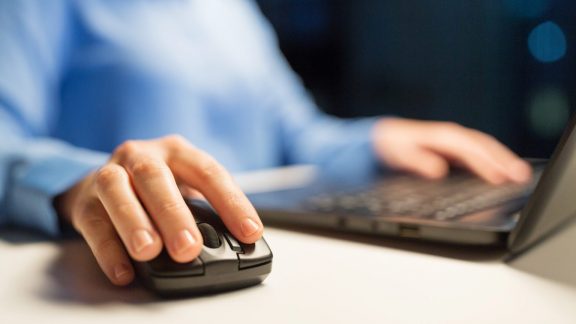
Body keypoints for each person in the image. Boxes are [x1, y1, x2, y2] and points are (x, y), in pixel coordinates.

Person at [0, 0, 531, 286]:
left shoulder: (233, 10)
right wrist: (75, 182)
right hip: (111, 257)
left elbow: (297, 134)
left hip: (279, 251)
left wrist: (378, 136)